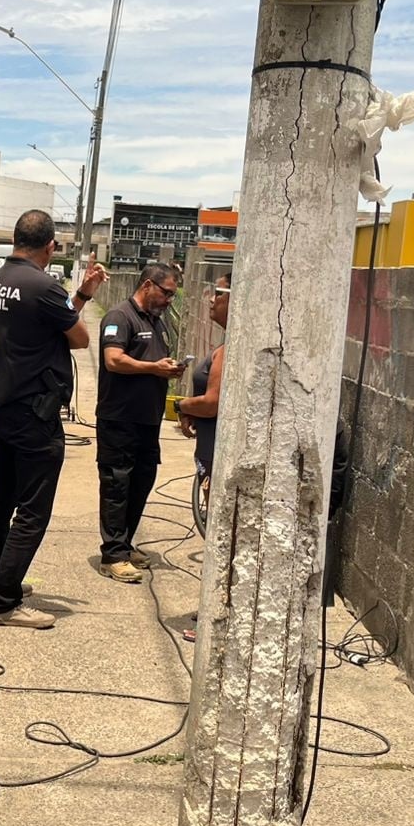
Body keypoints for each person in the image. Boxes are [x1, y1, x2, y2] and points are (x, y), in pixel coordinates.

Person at [0, 210, 109, 629]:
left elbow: (48, 325)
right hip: (35, 413)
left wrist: (81, 294)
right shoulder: (43, 286)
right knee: (33, 510)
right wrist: (80, 298)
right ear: (51, 247)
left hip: (4, 404)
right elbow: (79, 338)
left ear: (17, 238)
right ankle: (5, 602)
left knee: (1, 500)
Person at [95, 263, 185, 583]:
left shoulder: (157, 322)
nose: (170, 300)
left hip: (147, 420)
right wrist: (154, 368)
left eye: (173, 295)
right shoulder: (120, 317)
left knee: (141, 482)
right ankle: (112, 555)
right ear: (147, 285)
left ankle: (124, 543)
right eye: (167, 293)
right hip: (119, 419)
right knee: (117, 485)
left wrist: (169, 369)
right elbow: (113, 360)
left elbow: (152, 361)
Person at [176, 271, 231, 641]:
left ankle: (217, 618)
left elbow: (213, 402)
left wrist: (183, 405)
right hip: (210, 453)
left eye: (220, 292)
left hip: (219, 456)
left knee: (222, 538)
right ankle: (215, 609)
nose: (212, 298)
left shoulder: (231, 350)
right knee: (217, 535)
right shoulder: (226, 345)